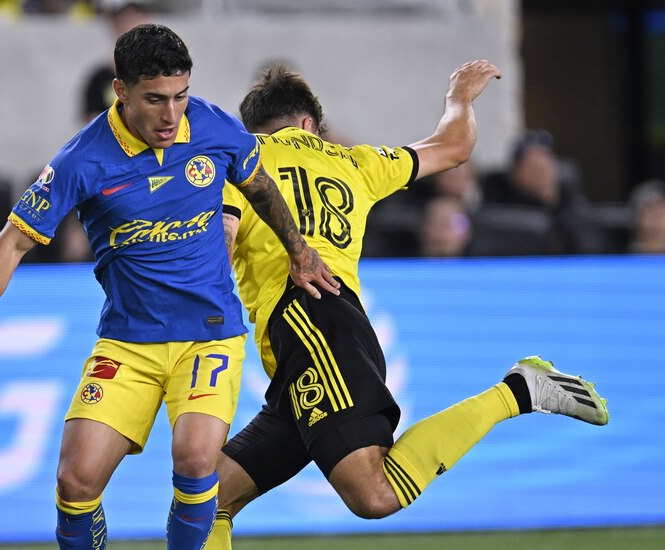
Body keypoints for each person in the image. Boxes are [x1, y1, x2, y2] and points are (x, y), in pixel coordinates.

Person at [0, 24, 338, 550]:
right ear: (121, 91)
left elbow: (261, 187)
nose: (171, 115)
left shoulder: (214, 129)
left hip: (209, 335)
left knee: (195, 460)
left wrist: (300, 253)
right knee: (75, 482)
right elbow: (11, 244)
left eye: (181, 96)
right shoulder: (83, 159)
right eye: (156, 99)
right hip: (128, 342)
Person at [207, 63, 610, 548]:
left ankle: (519, 392)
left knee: (373, 493)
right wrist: (459, 95)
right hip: (331, 326)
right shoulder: (353, 162)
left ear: (254, 126)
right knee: (208, 502)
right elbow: (454, 146)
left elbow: (222, 243)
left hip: (308, 323)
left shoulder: (241, 162)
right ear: (310, 124)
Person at [482, 128, 588, 254]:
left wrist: (551, 198)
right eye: (533, 167)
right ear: (515, 173)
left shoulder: (569, 200)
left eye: (546, 165)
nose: (541, 173)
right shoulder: (500, 203)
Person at [79, 0, 153, 125]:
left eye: (136, 20)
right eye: (125, 20)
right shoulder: (99, 78)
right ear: (114, 25)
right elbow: (92, 125)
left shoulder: (158, 75)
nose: (131, 26)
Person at [627, 179, 665, 255]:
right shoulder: (618, 257)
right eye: (652, 213)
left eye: (663, 213)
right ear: (636, 218)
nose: (658, 220)